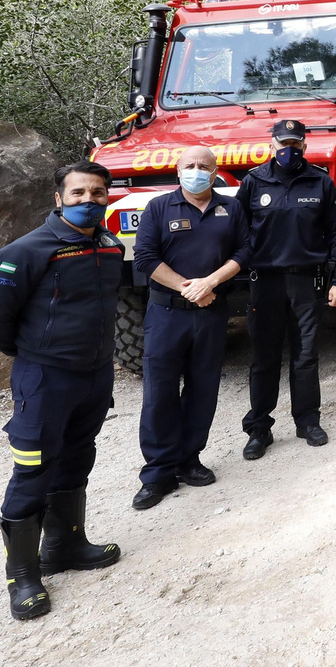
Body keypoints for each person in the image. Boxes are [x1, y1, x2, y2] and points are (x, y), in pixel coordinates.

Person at [0, 161, 125, 621]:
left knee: (78, 455)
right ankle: (22, 574)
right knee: (34, 468)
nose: (88, 201)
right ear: (58, 198)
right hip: (44, 378)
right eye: (77, 193)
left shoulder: (110, 246)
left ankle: (66, 544)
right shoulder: (26, 251)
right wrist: (37, 352)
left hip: (94, 376)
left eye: (97, 193)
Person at [129, 146, 252, 510]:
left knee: (203, 389)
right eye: (189, 166)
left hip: (211, 312)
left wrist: (209, 283)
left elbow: (245, 251)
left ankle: (189, 460)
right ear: (178, 170)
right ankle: (157, 473)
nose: (196, 171)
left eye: (204, 167)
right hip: (167, 314)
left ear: (215, 174)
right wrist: (189, 287)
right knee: (159, 393)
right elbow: (146, 259)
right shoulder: (158, 208)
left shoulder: (231, 208)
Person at [235, 118, 336, 460]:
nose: (289, 150)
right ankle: (259, 428)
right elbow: (237, 232)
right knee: (264, 358)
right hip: (265, 282)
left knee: (305, 356)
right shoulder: (254, 182)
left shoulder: (320, 181)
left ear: (304, 145)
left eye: (295, 144)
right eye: (283, 144)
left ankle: (307, 421)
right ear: (272, 144)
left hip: (306, 281)